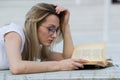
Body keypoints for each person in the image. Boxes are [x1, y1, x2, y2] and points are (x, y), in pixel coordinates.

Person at [0, 3, 88, 74]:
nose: (54, 35)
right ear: (35, 25)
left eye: (56, 30)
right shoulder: (14, 34)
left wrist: (65, 25)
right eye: (50, 29)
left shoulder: (35, 47)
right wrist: (59, 65)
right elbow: (16, 67)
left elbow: (67, 58)